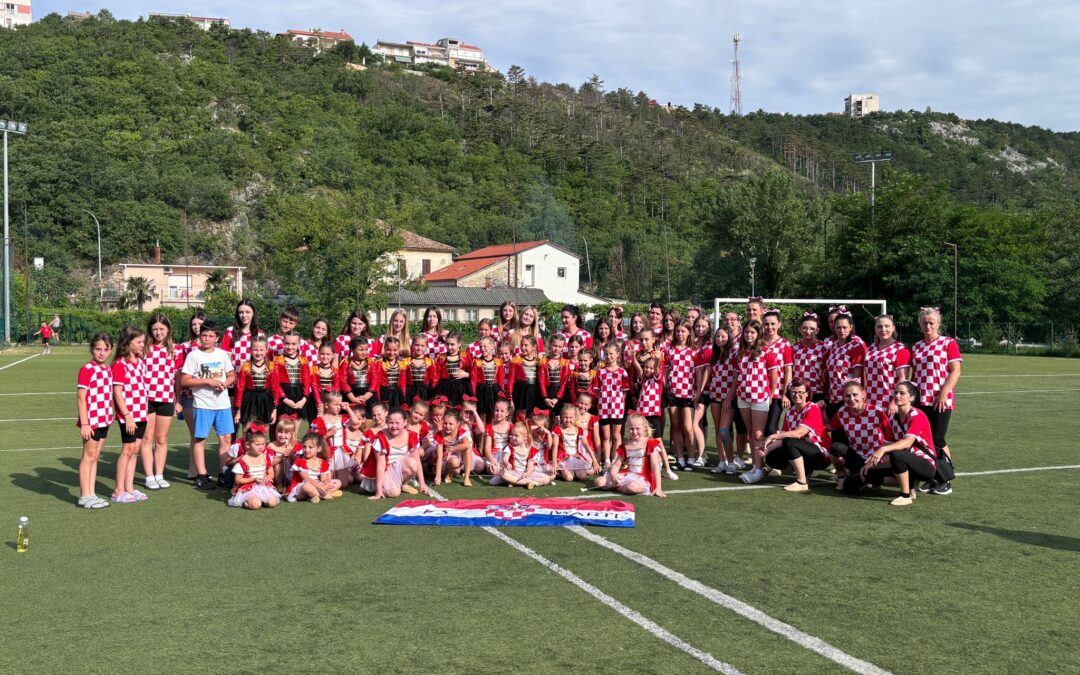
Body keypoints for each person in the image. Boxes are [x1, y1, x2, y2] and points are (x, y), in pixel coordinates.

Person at [179, 320, 236, 491]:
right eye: (204, 335)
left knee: (226, 439)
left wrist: (225, 383)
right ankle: (202, 475)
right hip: (203, 404)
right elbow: (184, 380)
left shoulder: (221, 354)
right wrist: (207, 381)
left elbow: (232, 375)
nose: (207, 339)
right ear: (199, 336)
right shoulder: (194, 355)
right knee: (200, 439)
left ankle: (224, 473)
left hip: (223, 404)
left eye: (211, 336)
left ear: (217, 338)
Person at [911, 306, 962, 496]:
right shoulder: (917, 346)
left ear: (938, 324)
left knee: (938, 439)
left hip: (941, 400)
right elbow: (915, 374)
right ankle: (933, 477)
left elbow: (955, 371)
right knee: (925, 441)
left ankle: (946, 479)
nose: (928, 326)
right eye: (925, 323)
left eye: (931, 323)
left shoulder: (948, 343)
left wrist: (943, 393)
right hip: (921, 400)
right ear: (920, 325)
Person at [861, 381, 939, 506]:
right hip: (904, 460)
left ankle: (905, 495)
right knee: (868, 474)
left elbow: (907, 443)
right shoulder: (893, 418)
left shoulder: (917, 415)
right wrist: (871, 463)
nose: (897, 396)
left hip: (925, 464)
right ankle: (910, 483)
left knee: (897, 454)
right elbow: (886, 443)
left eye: (902, 393)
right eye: (896, 392)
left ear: (912, 397)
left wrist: (883, 450)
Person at [730, 321, 780, 484]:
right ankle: (755, 466)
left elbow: (774, 375)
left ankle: (759, 469)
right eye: (746, 332)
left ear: (758, 334)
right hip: (743, 397)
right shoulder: (740, 353)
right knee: (750, 432)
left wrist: (770, 394)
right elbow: (737, 375)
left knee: (758, 434)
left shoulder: (767, 352)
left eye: (752, 332)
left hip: (759, 397)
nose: (749, 335)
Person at [762, 379, 831, 492]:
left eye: (800, 392)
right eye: (793, 392)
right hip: (804, 449)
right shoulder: (789, 412)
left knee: (790, 442)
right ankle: (798, 470)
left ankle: (802, 481)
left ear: (807, 394)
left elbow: (798, 433)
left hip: (821, 454)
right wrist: (766, 450)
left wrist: (772, 436)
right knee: (771, 458)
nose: (796, 395)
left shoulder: (813, 408)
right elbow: (783, 437)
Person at [828, 381, 892, 496]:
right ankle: (842, 475)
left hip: (874, 459)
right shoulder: (842, 413)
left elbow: (890, 434)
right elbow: (828, 427)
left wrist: (885, 454)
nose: (851, 399)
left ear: (863, 394)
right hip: (856, 457)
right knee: (835, 448)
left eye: (855, 395)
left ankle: (907, 483)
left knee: (854, 486)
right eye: (848, 396)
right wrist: (819, 411)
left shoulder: (877, 411)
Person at [76, 333, 115, 509]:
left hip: (104, 419)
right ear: (91, 349)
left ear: (110, 350)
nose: (101, 353)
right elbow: (81, 397)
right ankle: (85, 496)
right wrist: (85, 424)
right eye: (98, 349)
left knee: (95, 457)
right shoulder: (87, 369)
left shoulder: (107, 369)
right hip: (91, 421)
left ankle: (91, 493)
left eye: (105, 349)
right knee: (88, 456)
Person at [111, 326, 150, 503]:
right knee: (127, 450)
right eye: (139, 342)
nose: (143, 345)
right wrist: (127, 416)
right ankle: (118, 491)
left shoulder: (141, 361)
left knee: (135, 451)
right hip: (129, 416)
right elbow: (117, 393)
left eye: (143, 341)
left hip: (142, 413)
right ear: (128, 343)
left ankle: (129, 487)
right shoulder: (120, 364)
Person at [142, 313, 179, 490]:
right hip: (146, 399)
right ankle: (149, 476)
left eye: (162, 329)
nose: (158, 332)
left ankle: (159, 474)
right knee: (147, 438)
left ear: (168, 329)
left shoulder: (175, 350)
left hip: (166, 399)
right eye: (155, 329)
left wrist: (177, 400)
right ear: (150, 330)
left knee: (162, 439)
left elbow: (178, 378)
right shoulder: (144, 349)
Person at [593, 414, 666, 497]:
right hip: (627, 474)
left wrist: (658, 488)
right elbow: (617, 465)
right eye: (631, 429)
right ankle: (620, 487)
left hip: (643, 477)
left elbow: (655, 466)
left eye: (637, 429)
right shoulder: (626, 445)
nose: (634, 432)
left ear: (644, 428)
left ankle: (617, 487)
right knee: (599, 482)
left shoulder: (649, 443)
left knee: (632, 487)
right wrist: (613, 475)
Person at [361, 409, 427, 499]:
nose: (394, 426)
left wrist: (422, 484)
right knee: (394, 493)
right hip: (383, 471)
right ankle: (380, 487)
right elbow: (380, 466)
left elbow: (417, 460)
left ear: (405, 422)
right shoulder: (380, 438)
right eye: (391, 423)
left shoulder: (411, 435)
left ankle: (403, 484)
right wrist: (378, 491)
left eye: (397, 423)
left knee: (413, 463)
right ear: (387, 422)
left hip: (398, 467)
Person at [703, 328, 739, 475]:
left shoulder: (734, 352)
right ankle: (722, 461)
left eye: (723, 336)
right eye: (717, 336)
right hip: (715, 396)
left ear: (729, 337)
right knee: (719, 430)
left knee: (724, 431)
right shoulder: (715, 354)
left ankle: (731, 462)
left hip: (728, 399)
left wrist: (729, 397)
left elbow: (736, 376)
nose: (719, 339)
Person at [176, 310, 207, 479]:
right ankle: (194, 470)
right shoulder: (185, 346)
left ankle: (198, 469)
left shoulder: (213, 347)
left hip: (208, 396)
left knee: (201, 434)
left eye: (199, 324)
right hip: (189, 396)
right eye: (194, 324)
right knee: (196, 433)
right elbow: (179, 374)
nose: (196, 327)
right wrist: (178, 399)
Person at [663, 322, 697, 469]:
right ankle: (680, 458)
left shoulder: (695, 351)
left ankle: (691, 457)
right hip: (673, 393)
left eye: (683, 331)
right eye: (678, 331)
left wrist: (698, 391)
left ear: (689, 332)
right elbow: (665, 370)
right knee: (675, 426)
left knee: (688, 427)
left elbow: (699, 373)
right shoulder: (669, 350)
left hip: (688, 393)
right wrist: (666, 387)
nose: (680, 334)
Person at [823, 311, 866, 421]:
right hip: (833, 396)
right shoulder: (833, 346)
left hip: (847, 398)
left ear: (851, 327)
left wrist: (853, 398)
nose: (841, 330)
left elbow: (858, 375)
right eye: (838, 327)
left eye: (844, 327)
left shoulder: (855, 345)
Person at [863, 314, 911, 411]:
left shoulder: (900, 349)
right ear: (875, 329)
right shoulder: (870, 348)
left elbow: (903, 378)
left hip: (888, 401)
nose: (883, 329)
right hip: (870, 400)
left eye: (887, 326)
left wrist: (894, 401)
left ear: (893, 328)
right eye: (879, 327)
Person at [594, 343, 631, 467]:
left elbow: (625, 392)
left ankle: (616, 459)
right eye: (606, 354)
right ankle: (607, 460)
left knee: (616, 435)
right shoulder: (600, 372)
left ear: (617, 355)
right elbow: (597, 390)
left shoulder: (622, 372)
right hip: (603, 407)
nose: (609, 356)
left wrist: (619, 403)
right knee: (606, 436)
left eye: (611, 354)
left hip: (617, 408)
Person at [760, 309, 794, 436]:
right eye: (766, 324)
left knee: (770, 428)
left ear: (779, 324)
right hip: (760, 391)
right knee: (759, 427)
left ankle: (771, 455)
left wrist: (786, 393)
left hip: (777, 393)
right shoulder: (759, 343)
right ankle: (759, 455)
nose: (770, 327)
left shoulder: (785, 344)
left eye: (773, 324)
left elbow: (788, 370)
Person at [270, 332, 317, 424]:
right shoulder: (277, 360)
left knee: (295, 429)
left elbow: (307, 382)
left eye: (294, 344)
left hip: (299, 396)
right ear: (283, 343)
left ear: (299, 344)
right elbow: (275, 383)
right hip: (283, 396)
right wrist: (284, 399)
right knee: (281, 428)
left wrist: (304, 399)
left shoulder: (303, 360)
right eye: (287, 343)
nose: (290, 347)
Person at [227, 428, 279, 509]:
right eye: (257, 444)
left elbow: (271, 473)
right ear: (248, 445)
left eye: (263, 444)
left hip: (263, 486)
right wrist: (253, 479)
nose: (261, 447)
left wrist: (268, 477)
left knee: (272, 503)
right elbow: (238, 480)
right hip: (248, 488)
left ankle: (261, 499)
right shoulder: (244, 461)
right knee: (255, 505)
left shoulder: (265, 457)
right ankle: (244, 501)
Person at [286, 433, 342, 503]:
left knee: (338, 482)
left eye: (310, 447)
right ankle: (324, 495)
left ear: (318, 449)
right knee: (306, 486)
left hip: (316, 485)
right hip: (301, 488)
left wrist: (327, 483)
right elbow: (306, 479)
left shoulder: (322, 462)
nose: (306, 450)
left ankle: (314, 496)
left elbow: (324, 478)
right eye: (304, 446)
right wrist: (321, 487)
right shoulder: (300, 461)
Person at [220, 300, 264, 385]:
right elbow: (226, 356)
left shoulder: (260, 334)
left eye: (247, 312)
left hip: (253, 378)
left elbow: (262, 357)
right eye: (241, 312)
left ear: (253, 313)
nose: (244, 315)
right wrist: (231, 374)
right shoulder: (229, 331)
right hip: (234, 378)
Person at [552, 405, 601, 482]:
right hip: (563, 459)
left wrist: (595, 460)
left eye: (571, 417)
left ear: (575, 417)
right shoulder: (558, 429)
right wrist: (554, 462)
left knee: (583, 477)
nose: (568, 420)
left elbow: (586, 445)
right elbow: (555, 447)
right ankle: (560, 471)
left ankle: (572, 472)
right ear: (561, 416)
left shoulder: (578, 430)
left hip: (575, 458)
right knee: (569, 478)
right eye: (565, 417)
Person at [234, 336, 275, 427]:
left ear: (266, 350)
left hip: (266, 400)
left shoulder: (272, 366)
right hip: (249, 399)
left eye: (261, 350)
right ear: (250, 350)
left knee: (262, 432)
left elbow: (275, 388)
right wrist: (238, 410)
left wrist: (274, 409)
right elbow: (240, 388)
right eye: (255, 350)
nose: (258, 353)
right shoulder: (245, 366)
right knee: (247, 430)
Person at [498, 421, 551, 489]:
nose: (513, 437)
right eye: (512, 435)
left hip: (524, 474)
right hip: (513, 472)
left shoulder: (530, 449)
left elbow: (530, 466)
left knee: (546, 478)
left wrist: (527, 473)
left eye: (516, 435)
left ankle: (516, 482)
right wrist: (507, 463)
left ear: (525, 437)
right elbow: (504, 459)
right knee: (502, 473)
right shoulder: (509, 447)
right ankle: (526, 483)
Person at [433, 409, 478, 486]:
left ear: (458, 424)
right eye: (445, 423)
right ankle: (447, 473)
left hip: (456, 457)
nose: (447, 426)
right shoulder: (440, 434)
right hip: (444, 460)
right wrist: (438, 476)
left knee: (468, 449)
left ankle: (467, 478)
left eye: (451, 424)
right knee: (454, 462)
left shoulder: (461, 431)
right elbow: (439, 457)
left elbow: (467, 445)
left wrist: (452, 449)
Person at [792, 312, 827, 404]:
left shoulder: (824, 347)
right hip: (798, 391)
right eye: (804, 328)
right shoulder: (794, 347)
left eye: (812, 329)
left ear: (817, 330)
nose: (808, 331)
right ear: (800, 329)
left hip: (817, 391)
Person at [468, 336, 505, 423]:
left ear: (492, 346)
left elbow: (501, 380)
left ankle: (492, 435)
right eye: (480, 347)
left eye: (485, 346)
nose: (482, 349)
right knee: (482, 417)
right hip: (482, 391)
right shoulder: (476, 362)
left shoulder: (499, 361)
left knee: (494, 416)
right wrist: (473, 395)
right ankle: (481, 435)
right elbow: (473, 381)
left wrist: (502, 394)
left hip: (495, 391)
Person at [508, 335, 542, 420]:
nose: (523, 347)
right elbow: (511, 379)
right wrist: (510, 395)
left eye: (526, 345)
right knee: (520, 416)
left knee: (532, 415)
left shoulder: (539, 361)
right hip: (521, 391)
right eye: (521, 345)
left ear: (533, 347)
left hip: (534, 390)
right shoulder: (516, 360)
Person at [434, 331, 471, 406]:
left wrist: (467, 374)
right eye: (447, 344)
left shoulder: (465, 357)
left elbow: (474, 373)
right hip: (444, 388)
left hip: (461, 388)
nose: (449, 347)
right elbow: (436, 375)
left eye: (452, 344)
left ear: (459, 344)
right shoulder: (441, 357)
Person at [339, 336, 374, 414]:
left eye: (366, 349)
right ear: (352, 350)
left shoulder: (371, 363)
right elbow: (343, 382)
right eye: (361, 350)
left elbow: (375, 381)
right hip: (350, 395)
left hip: (369, 396)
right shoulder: (345, 363)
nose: (364, 352)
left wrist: (366, 396)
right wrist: (352, 398)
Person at [370, 336, 407, 409]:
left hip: (397, 393)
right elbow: (376, 382)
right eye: (389, 350)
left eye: (395, 350)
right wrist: (377, 397)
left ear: (399, 349)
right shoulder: (379, 363)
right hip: (384, 393)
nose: (392, 353)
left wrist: (403, 395)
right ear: (384, 349)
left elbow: (403, 383)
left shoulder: (402, 363)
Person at [402, 335, 439, 404]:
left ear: (426, 347)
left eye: (422, 346)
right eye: (417, 345)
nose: (419, 348)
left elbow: (433, 380)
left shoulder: (430, 362)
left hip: (425, 392)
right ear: (412, 345)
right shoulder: (405, 361)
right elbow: (402, 380)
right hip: (410, 392)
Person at [539, 334, 570, 415]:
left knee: (558, 418)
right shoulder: (543, 361)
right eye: (554, 345)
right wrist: (545, 398)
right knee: (545, 418)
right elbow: (541, 381)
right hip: (546, 393)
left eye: (560, 347)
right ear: (549, 345)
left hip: (560, 394)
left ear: (563, 347)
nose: (557, 349)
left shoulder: (565, 362)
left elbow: (564, 382)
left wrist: (557, 398)